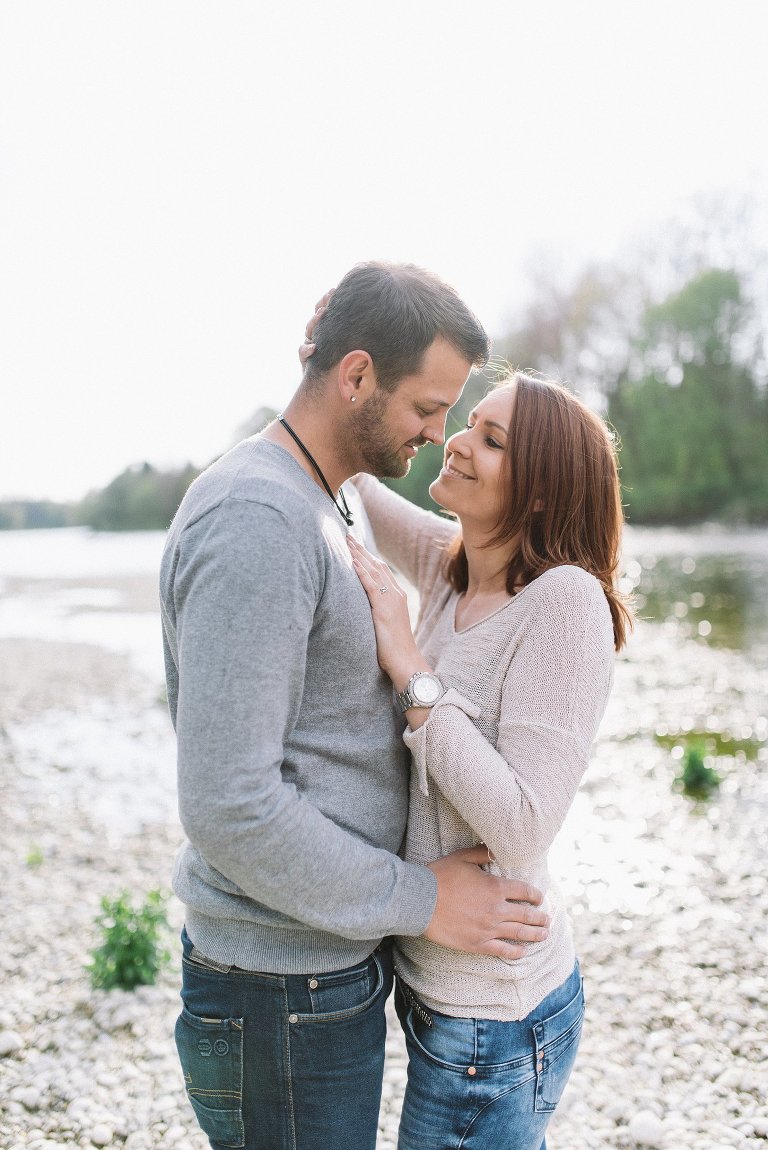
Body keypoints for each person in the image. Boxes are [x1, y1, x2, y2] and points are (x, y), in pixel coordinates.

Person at [159, 262, 551, 1150]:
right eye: (427, 407)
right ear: (357, 375)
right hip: (278, 989)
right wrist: (423, 900)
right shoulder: (258, 517)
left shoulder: (320, 497)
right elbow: (229, 803)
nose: (437, 434)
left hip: (311, 978)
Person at [304, 327, 631, 1146]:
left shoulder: (564, 604)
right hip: (432, 980)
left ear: (545, 490)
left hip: (496, 1017)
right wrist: (337, 357)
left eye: (492, 439)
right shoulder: (454, 560)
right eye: (467, 421)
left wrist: (413, 673)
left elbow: (523, 823)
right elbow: (341, 463)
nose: (456, 440)